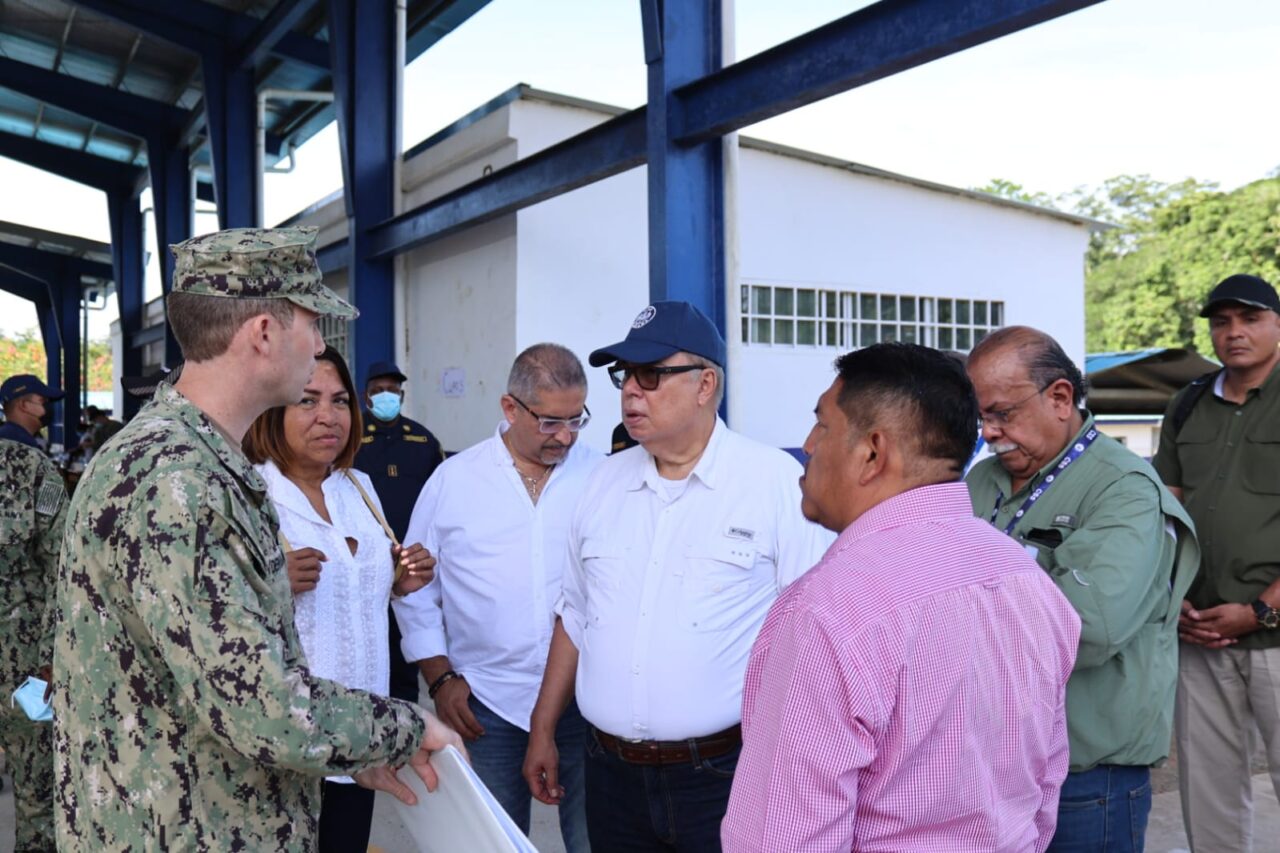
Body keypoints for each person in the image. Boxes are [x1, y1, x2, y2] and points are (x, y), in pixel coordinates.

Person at [53, 227, 462, 851]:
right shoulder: (179, 481)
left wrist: (349, 753)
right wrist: (408, 727)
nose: (320, 344)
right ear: (264, 333)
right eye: (312, 322)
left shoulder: (189, 461)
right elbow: (263, 707)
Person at [721, 342, 1081, 851]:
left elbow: (782, 836)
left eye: (822, 425)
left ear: (872, 451)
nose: (807, 445)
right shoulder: (1026, 580)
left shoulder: (827, 609)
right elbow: (1044, 788)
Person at [523, 301, 831, 852]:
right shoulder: (600, 483)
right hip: (609, 774)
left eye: (652, 375)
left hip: (722, 776)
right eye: (624, 376)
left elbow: (813, 637)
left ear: (706, 383)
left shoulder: (773, 483)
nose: (630, 392)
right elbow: (575, 613)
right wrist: (544, 726)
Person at [965, 326, 1199, 852]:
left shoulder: (1124, 489)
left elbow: (1086, 626)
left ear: (1060, 397)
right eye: (980, 417)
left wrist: (968, 600)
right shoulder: (981, 481)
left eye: (1002, 413)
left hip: (1088, 777)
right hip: (990, 762)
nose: (990, 432)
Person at [396, 343, 602, 852]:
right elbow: (416, 590)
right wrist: (440, 678)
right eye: (552, 422)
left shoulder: (603, 477)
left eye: (577, 421)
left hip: (588, 703)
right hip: (484, 705)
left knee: (595, 841)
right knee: (488, 844)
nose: (566, 437)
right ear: (510, 409)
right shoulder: (454, 481)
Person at [243, 345, 437, 853]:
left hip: (360, 742)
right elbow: (207, 607)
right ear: (273, 409)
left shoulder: (360, 488)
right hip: (289, 744)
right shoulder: (250, 495)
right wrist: (269, 581)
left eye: (338, 401)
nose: (328, 417)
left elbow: (359, 585)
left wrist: (397, 578)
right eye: (307, 401)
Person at [1153, 273, 1280, 852]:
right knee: (1209, 802)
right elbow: (1163, 509)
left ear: (1277, 325)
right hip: (1198, 632)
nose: (1234, 333)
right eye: (1222, 321)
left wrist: (1260, 610)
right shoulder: (1188, 404)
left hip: (1274, 636)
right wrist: (1170, 591)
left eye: (1250, 319)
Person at [353, 359, 446, 705]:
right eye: (379, 391)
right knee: (369, 641)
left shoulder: (422, 441)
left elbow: (439, 499)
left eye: (393, 390)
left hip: (411, 561)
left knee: (406, 642)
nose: (387, 396)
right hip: (365, 559)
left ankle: (406, 713)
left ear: (402, 394)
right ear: (366, 396)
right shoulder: (350, 438)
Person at [0, 439, 67, 852]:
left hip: (26, 676)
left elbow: (64, 565)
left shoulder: (26, 468)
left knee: (42, 806)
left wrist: (50, 659)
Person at [0, 375, 63, 450]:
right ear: (24, 405)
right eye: (43, 401)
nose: (48, 406)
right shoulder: (20, 444)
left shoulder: (9, 437)